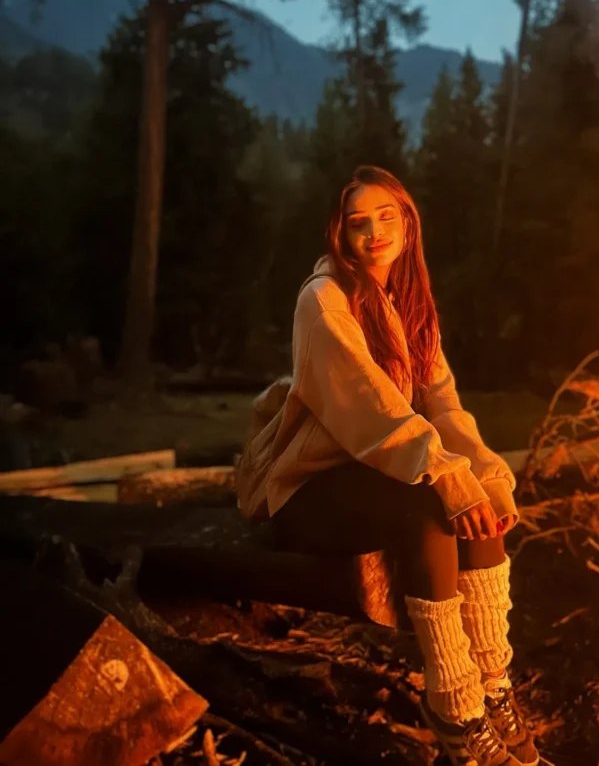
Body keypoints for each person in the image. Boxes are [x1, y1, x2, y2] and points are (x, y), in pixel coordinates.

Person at [236, 166, 539, 766]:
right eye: (358, 222)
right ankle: (455, 707)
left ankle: (493, 684)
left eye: (386, 217)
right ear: (339, 233)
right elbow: (370, 408)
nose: (374, 232)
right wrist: (448, 480)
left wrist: (486, 475)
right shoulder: (324, 299)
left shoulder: (409, 301)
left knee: (470, 497)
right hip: (309, 489)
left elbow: (443, 405)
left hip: (376, 476)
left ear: (407, 224)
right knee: (433, 504)